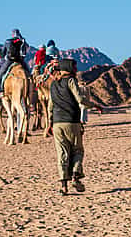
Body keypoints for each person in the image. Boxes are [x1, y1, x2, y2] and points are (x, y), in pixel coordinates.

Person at [48, 58, 91, 195]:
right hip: (71, 122)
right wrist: (94, 105)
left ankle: (63, 187)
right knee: (77, 150)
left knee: (62, 153)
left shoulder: (53, 85)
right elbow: (80, 99)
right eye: (74, 67)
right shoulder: (71, 81)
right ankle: (75, 175)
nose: (76, 70)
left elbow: (50, 106)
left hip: (57, 124)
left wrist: (49, 123)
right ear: (69, 68)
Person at [0, 29, 29, 95]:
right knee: (28, 73)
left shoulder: (7, 41)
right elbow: (25, 49)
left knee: (0, 73)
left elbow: (3, 53)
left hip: (10, 60)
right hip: (20, 60)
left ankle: (0, 90)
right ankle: (33, 87)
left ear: (12, 34)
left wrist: (2, 55)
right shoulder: (22, 41)